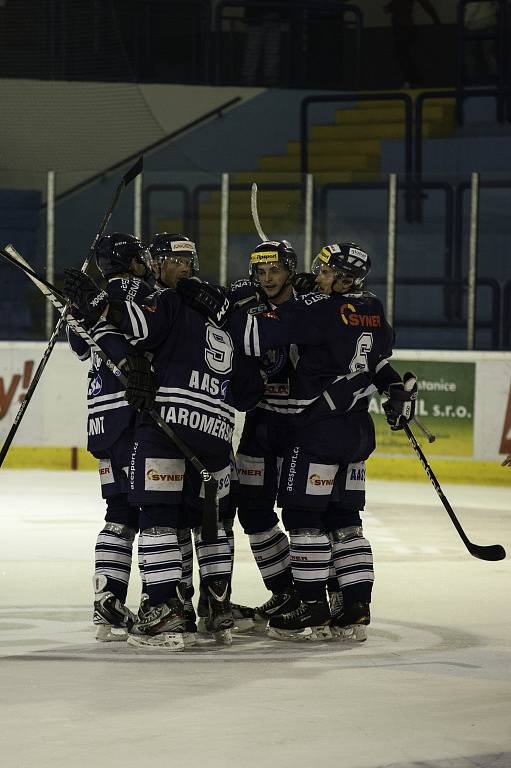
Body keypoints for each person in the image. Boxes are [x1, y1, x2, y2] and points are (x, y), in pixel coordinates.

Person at [177, 241, 416, 641]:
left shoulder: (314, 304)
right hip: (270, 423)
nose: (267, 278)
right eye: (261, 271)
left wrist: (227, 312)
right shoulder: (362, 303)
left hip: (309, 427)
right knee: (263, 513)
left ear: (292, 270)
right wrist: (396, 388)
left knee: (311, 517)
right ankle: (304, 595)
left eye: (276, 271)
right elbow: (377, 359)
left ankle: (318, 599)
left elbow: (255, 335)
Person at [65, 241, 264, 650]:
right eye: (176, 260)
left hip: (142, 421)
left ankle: (153, 605)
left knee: (143, 514)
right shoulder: (212, 314)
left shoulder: (162, 301)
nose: (183, 267)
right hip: (202, 429)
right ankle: (209, 604)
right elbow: (248, 390)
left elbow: (97, 339)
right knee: (202, 521)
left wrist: (87, 310)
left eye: (187, 260)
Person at [65, 232, 155, 642]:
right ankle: (164, 600)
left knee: (118, 516)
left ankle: (107, 601)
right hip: (137, 415)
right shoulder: (139, 290)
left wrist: (72, 311)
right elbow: (151, 333)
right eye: (143, 259)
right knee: (158, 513)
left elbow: (79, 348)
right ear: (133, 262)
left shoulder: (91, 297)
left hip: (101, 418)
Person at [384, 0, 441, 88]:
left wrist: (389, 8)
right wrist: (436, 20)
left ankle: (412, 80)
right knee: (403, 55)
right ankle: (413, 80)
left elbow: (425, 5)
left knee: (402, 55)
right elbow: (426, 5)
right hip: (404, 26)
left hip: (403, 27)